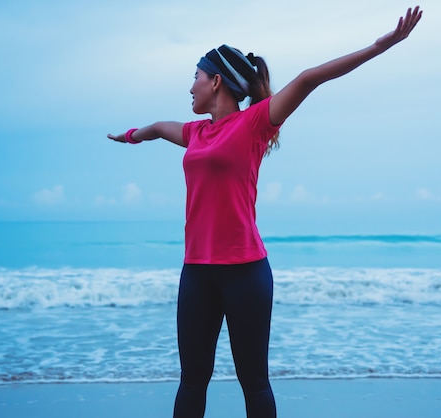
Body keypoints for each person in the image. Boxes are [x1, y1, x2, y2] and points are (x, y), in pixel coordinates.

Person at [107, 6, 422, 417]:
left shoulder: (256, 122)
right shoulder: (195, 132)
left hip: (246, 273)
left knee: (254, 383)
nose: (190, 88)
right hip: (197, 272)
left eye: (196, 78)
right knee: (192, 381)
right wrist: (129, 136)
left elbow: (311, 77)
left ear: (216, 81)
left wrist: (381, 46)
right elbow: (157, 128)